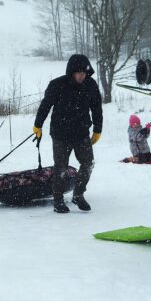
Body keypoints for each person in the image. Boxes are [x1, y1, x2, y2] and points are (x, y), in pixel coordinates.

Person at [33, 53, 103, 213]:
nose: (82, 76)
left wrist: (97, 129)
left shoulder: (90, 85)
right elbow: (45, 105)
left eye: (84, 73)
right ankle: (58, 200)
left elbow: (96, 108)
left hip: (81, 133)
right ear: (71, 72)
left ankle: (78, 194)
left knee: (88, 163)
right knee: (61, 168)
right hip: (60, 134)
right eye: (78, 73)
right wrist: (38, 125)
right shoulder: (57, 85)